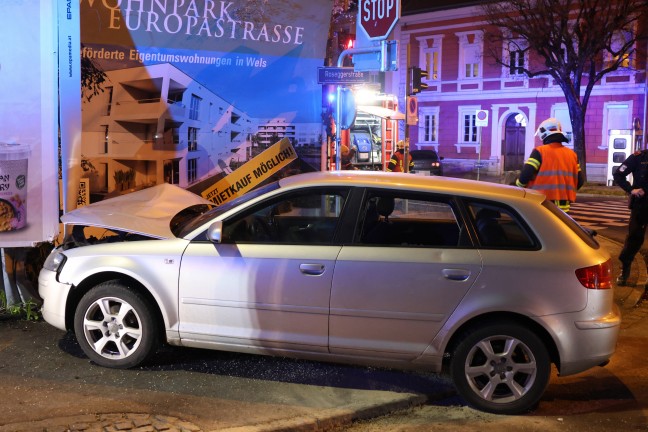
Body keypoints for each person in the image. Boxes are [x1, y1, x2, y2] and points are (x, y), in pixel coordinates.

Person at [515, 118, 584, 212]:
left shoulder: (539, 151)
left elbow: (526, 174)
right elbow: (580, 181)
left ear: (543, 134)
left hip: (542, 204)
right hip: (564, 208)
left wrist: (518, 186)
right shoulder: (572, 155)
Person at [613, 149, 648, 285]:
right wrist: (631, 190)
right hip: (642, 205)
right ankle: (625, 270)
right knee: (634, 238)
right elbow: (618, 174)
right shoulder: (639, 157)